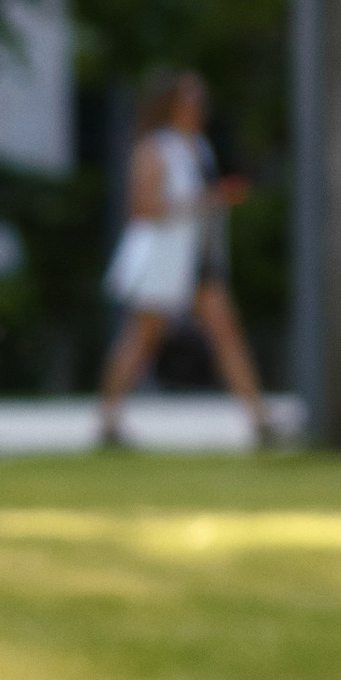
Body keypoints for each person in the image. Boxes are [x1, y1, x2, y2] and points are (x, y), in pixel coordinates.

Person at [97, 70, 277, 450]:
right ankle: (108, 420)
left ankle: (259, 420)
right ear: (173, 106)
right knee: (141, 338)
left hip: (200, 259)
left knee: (226, 333)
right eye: (192, 100)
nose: (200, 108)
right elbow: (143, 208)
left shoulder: (197, 146)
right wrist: (205, 201)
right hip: (165, 261)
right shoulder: (154, 149)